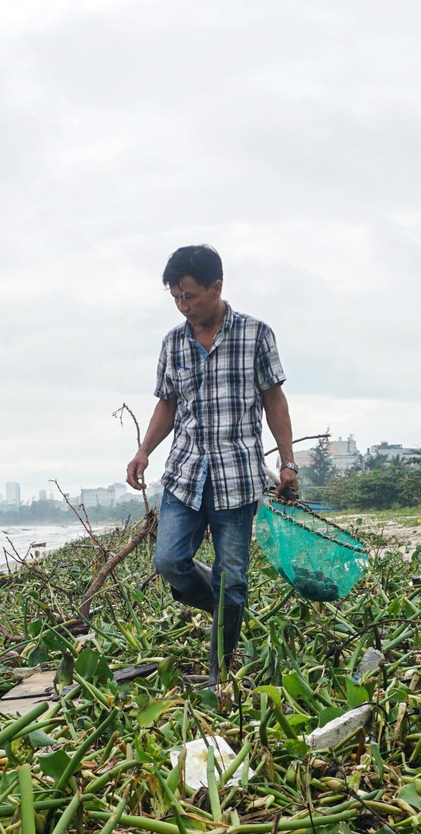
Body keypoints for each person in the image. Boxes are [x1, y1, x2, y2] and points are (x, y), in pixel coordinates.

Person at [128, 244, 298, 677]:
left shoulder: (255, 334)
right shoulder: (173, 343)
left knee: (234, 577)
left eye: (190, 296)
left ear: (216, 286)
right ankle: (225, 606)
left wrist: (288, 462)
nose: (184, 306)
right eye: (176, 299)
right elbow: (166, 405)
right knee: (169, 562)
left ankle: (221, 670)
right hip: (185, 474)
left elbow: (273, 398)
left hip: (237, 478)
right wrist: (144, 451)